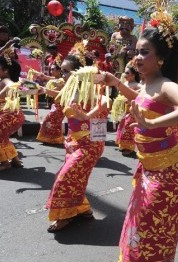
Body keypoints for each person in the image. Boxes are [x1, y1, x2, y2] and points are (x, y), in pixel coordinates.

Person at [101, 7, 178, 262]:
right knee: (139, 226)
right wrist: (115, 82)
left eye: (144, 52)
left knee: (150, 228)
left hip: (167, 172)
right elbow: (140, 100)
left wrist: (153, 124)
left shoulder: (167, 85)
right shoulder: (147, 85)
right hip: (148, 167)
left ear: (161, 58)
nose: (137, 57)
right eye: (137, 51)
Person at [44, 46, 109, 232]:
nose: (63, 74)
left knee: (65, 178)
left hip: (90, 144)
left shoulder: (92, 89)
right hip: (73, 142)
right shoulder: (68, 90)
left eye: (66, 71)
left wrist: (88, 115)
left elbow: (105, 101)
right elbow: (57, 95)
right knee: (76, 179)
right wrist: (37, 87)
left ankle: (65, 215)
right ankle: (83, 210)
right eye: (62, 71)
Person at [35, 55, 66, 145]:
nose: (51, 71)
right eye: (51, 69)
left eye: (53, 69)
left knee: (50, 121)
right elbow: (48, 78)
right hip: (56, 104)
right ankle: (53, 138)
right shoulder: (57, 79)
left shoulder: (62, 81)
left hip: (61, 105)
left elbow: (56, 91)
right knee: (52, 122)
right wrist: (40, 75)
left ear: (59, 71)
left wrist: (44, 90)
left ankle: (55, 139)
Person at [114, 60, 141, 156]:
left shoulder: (137, 85)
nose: (124, 74)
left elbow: (141, 93)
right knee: (121, 126)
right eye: (124, 72)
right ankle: (123, 145)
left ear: (133, 75)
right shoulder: (124, 84)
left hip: (131, 110)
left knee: (128, 127)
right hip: (123, 110)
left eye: (127, 73)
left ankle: (129, 147)